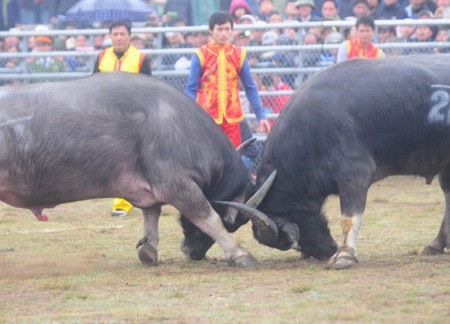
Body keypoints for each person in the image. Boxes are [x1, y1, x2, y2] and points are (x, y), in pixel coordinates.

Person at [185, 11, 270, 149]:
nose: (224, 33)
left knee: (234, 158)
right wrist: (187, 114)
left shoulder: (239, 54)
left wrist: (261, 116)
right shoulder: (201, 54)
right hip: (207, 117)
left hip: (232, 119)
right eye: (219, 29)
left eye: (227, 29)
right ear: (211, 30)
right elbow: (191, 88)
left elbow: (250, 87)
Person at [93, 20, 152, 217]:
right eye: (115, 34)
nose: (118, 37)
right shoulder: (102, 57)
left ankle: (125, 201)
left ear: (129, 36)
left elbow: (148, 90)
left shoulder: (141, 59)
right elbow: (92, 86)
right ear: (110, 36)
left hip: (131, 116)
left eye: (122, 34)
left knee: (129, 157)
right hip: (107, 115)